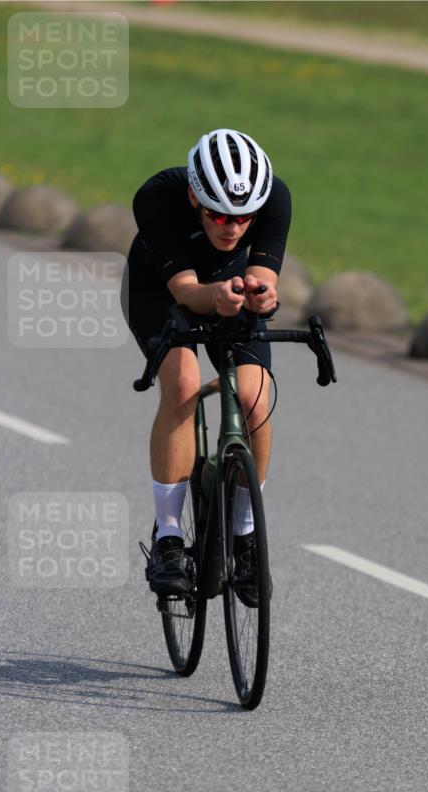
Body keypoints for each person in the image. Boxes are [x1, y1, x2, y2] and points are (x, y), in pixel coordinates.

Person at [121, 128, 291, 599]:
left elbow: (263, 273)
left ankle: (246, 535)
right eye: (218, 214)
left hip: (227, 287)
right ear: (195, 197)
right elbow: (186, 292)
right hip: (161, 291)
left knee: (254, 398)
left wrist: (262, 295)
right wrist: (214, 296)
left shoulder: (275, 198)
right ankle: (169, 538)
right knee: (183, 382)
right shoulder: (157, 197)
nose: (231, 228)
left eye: (243, 217)